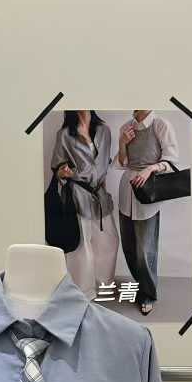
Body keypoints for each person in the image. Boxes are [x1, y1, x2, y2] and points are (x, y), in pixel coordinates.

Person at [114, 110, 180, 316]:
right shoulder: (125, 127)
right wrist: (122, 143)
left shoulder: (161, 125)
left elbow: (171, 161)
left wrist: (150, 169)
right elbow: (122, 163)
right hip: (126, 191)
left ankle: (148, 294)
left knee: (145, 250)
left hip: (148, 192)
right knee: (128, 247)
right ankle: (141, 285)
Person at [50, 111, 118, 298]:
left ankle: (104, 285)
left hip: (100, 195)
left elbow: (105, 164)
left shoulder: (104, 130)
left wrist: (104, 190)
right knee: (82, 247)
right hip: (77, 194)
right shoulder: (64, 134)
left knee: (109, 241)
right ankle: (83, 291)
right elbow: (57, 167)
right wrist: (62, 172)